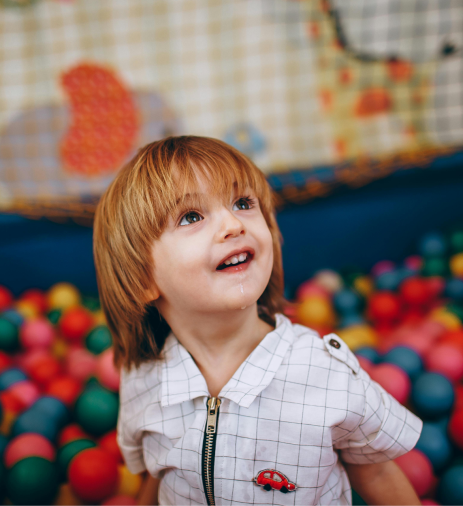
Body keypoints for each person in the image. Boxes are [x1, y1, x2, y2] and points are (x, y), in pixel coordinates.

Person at [93, 136, 423, 505]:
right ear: (143, 279)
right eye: (191, 216)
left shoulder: (322, 372)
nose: (233, 224)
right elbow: (159, 476)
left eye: (243, 203)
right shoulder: (144, 381)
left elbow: (376, 471)